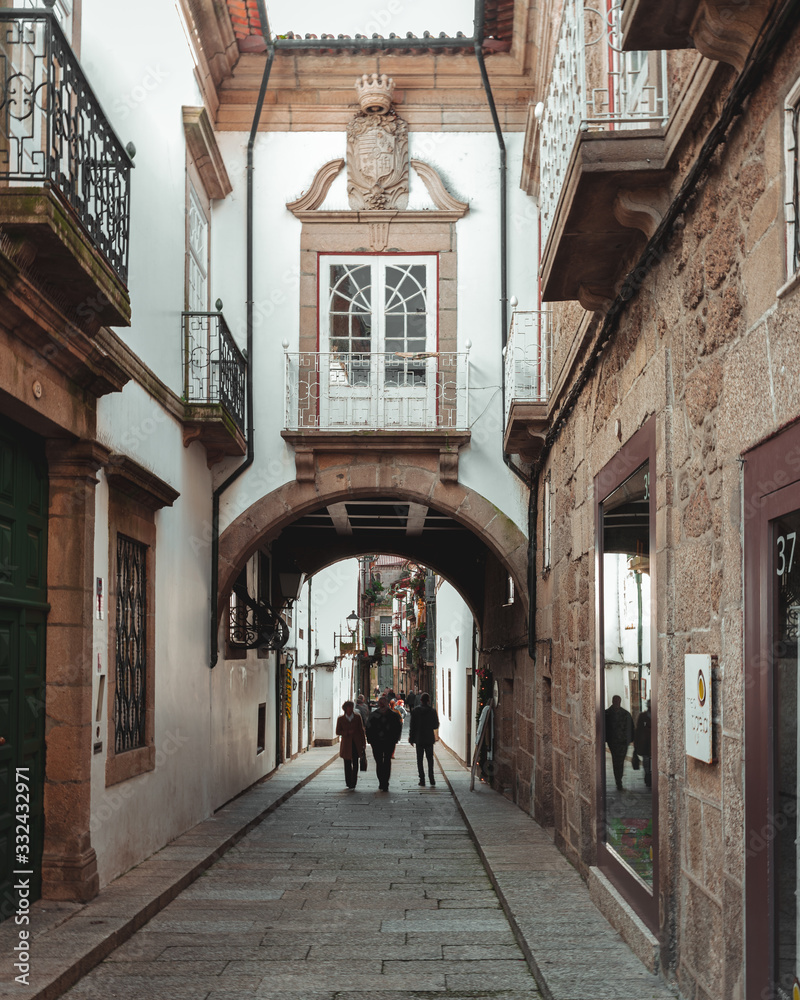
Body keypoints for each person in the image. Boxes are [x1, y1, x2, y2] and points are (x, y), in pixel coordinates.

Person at [365, 695, 402, 792]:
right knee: (379, 762)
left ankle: (385, 781)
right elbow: (368, 728)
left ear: (387, 704)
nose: (381, 705)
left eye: (383, 703)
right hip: (376, 742)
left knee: (386, 761)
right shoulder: (374, 715)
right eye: (380, 703)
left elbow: (398, 728)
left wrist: (396, 738)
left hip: (388, 741)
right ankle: (382, 781)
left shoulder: (393, 715)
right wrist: (369, 739)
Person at [408, 691, 440, 787]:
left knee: (420, 759)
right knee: (430, 759)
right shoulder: (433, 711)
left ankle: (422, 779)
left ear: (421, 700)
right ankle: (431, 778)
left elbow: (412, 726)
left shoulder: (415, 711)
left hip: (419, 738)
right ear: (429, 701)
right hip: (429, 738)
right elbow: (435, 725)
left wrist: (411, 738)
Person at [335, 700, 366, 790]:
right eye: (349, 708)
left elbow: (361, 730)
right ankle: (348, 782)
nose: (351, 709)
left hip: (356, 743)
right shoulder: (341, 719)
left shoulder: (357, 717)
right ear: (345, 709)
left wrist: (363, 743)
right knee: (347, 763)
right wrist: (346, 732)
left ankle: (354, 782)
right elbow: (337, 731)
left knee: (356, 763)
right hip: (346, 744)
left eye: (352, 707)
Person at [605, 694, 634, 792]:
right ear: (612, 702)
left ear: (620, 702)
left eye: (618, 701)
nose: (616, 703)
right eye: (615, 701)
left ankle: (619, 778)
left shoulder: (625, 714)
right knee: (616, 761)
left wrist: (630, 740)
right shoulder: (607, 714)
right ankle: (618, 781)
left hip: (623, 743)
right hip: (613, 743)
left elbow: (631, 728)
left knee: (621, 762)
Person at [634, 699, 652, 788]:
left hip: (654, 745)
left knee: (652, 762)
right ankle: (648, 777)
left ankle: (651, 778)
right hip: (645, 744)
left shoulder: (657, 715)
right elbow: (638, 730)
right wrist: (636, 745)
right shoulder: (642, 716)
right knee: (646, 762)